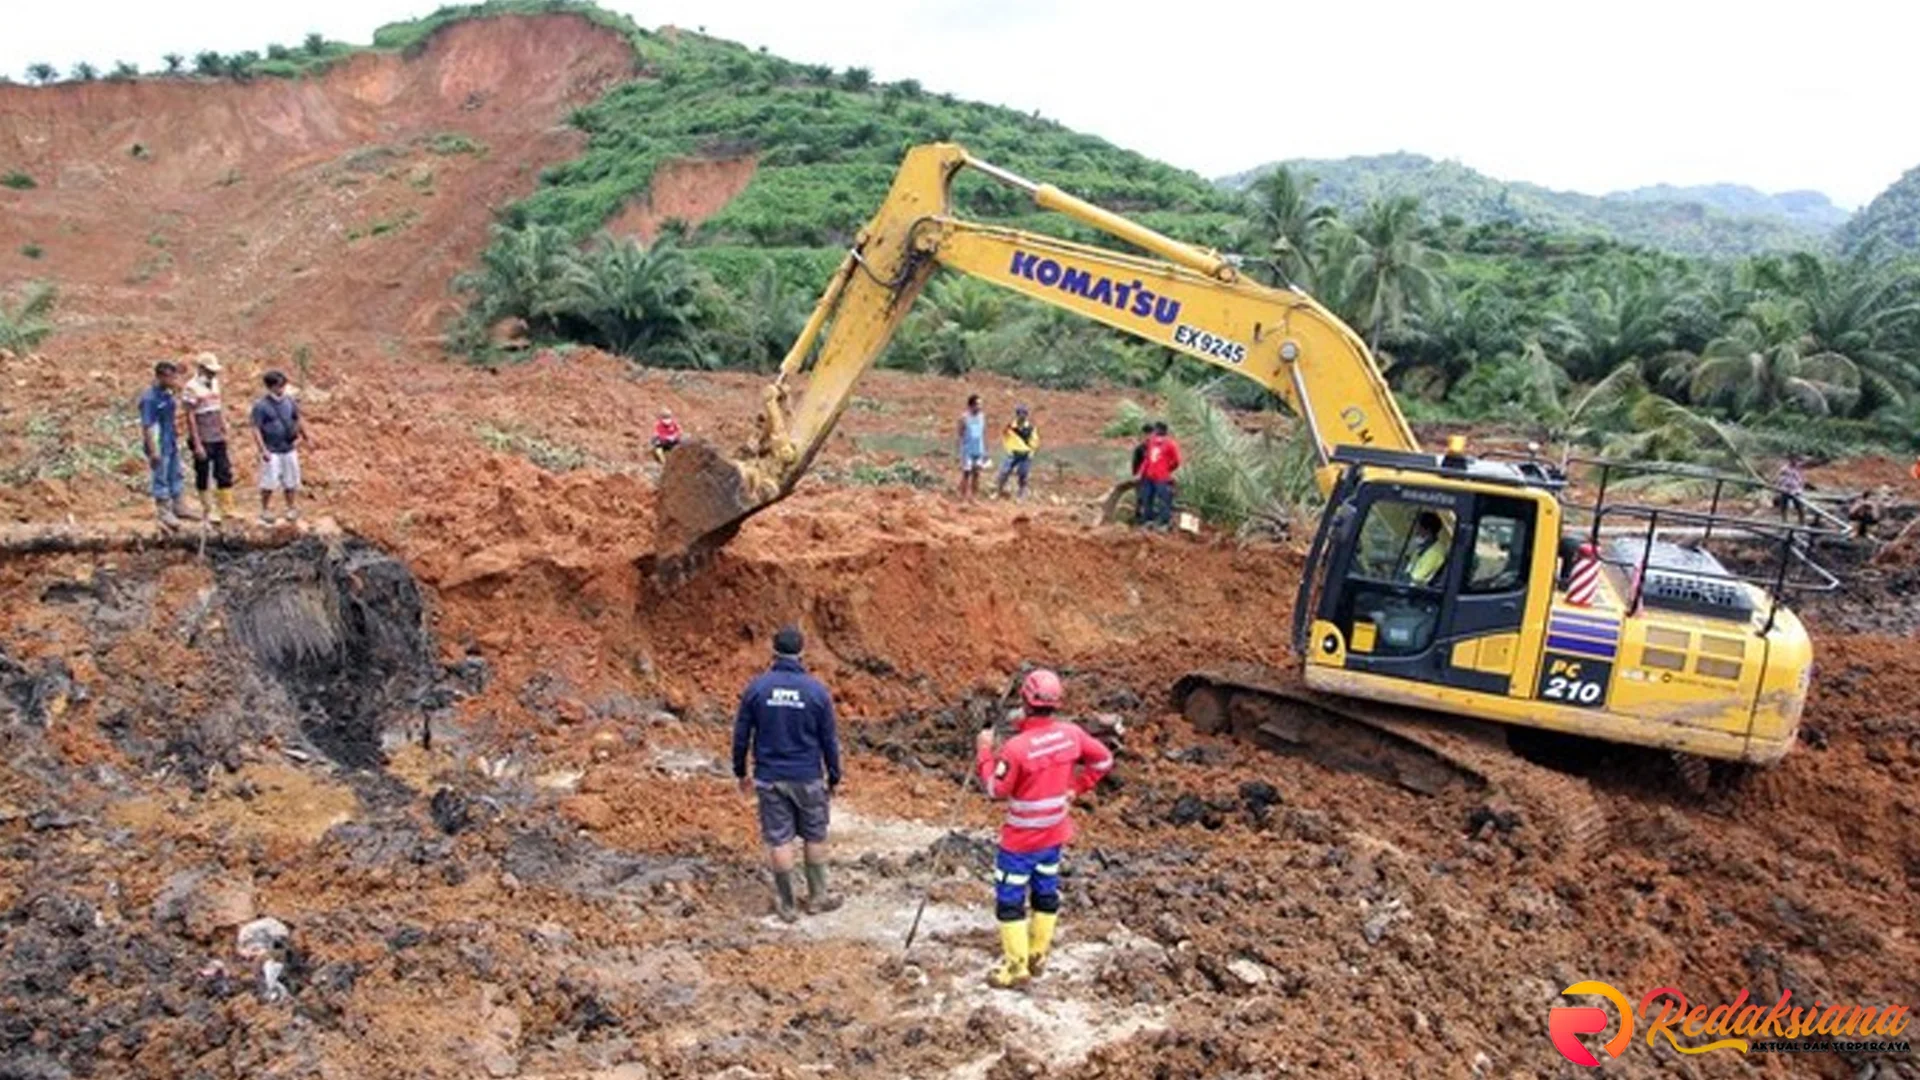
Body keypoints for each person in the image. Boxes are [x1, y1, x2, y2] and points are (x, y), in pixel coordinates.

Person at [975, 668, 1114, 990]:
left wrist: (984, 751)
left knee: (1010, 900)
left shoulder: (1016, 749)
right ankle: (1038, 955)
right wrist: (1077, 788)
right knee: (1045, 891)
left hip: (1020, 841)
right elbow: (1103, 760)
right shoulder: (1071, 734)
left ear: (1025, 699)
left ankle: (1015, 968)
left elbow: (995, 790)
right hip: (1053, 835)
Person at [733, 625, 843, 923]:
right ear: (802, 652)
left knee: (780, 839)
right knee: (814, 835)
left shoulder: (758, 688)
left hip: (770, 777)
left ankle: (787, 904)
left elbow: (741, 734)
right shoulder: (816, 691)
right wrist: (834, 776)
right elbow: (829, 740)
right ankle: (818, 898)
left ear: (773, 651)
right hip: (808, 775)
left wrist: (740, 771)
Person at [249, 369, 311, 526]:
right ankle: (265, 509)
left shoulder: (289, 401)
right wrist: (263, 449)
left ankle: (290, 508)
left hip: (288, 448)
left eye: (283, 386)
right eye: (278, 386)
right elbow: (256, 428)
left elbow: (297, 419)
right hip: (271, 449)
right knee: (269, 481)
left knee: (291, 480)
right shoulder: (261, 406)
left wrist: (306, 437)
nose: (281, 389)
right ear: (270, 387)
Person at [137, 361, 195, 529]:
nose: (175, 380)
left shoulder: (166, 393)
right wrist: (154, 451)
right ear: (161, 377)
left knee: (175, 473)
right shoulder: (150, 399)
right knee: (160, 476)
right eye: (171, 377)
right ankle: (164, 511)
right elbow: (148, 426)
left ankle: (179, 505)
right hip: (158, 443)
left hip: (170, 440)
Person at [180, 352, 235, 525]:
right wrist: (197, 443)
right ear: (201, 369)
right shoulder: (191, 387)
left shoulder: (215, 384)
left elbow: (218, 407)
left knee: (223, 471)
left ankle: (226, 509)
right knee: (203, 473)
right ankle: (208, 509)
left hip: (217, 435)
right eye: (210, 371)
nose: (213, 374)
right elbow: (190, 416)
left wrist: (223, 426)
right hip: (203, 436)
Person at [1136, 422, 1182, 529]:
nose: (1155, 434)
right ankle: (1148, 520)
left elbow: (1176, 461)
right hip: (1149, 476)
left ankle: (1164, 523)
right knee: (1147, 498)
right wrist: (1141, 473)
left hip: (1162, 477)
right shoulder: (1151, 443)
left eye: (1156, 431)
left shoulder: (1170, 444)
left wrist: (1167, 469)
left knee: (1164, 500)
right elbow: (1147, 459)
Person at [995, 405, 1039, 500]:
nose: (1022, 416)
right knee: (1004, 472)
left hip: (1025, 454)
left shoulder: (1030, 428)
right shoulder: (1010, 426)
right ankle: (999, 491)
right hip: (1013, 453)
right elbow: (1005, 438)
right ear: (1017, 414)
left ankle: (1021, 494)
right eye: (1020, 413)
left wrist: (1031, 452)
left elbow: (1034, 441)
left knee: (1022, 474)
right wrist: (1008, 449)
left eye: (1024, 414)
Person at [1401, 511, 1450, 586]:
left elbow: (1417, 577)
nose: (1416, 531)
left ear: (1427, 530)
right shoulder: (1423, 546)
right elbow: (1410, 564)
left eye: (1418, 528)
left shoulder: (1436, 552)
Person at [957, 394, 989, 499]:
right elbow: (960, 434)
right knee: (966, 473)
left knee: (977, 473)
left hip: (979, 449)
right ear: (971, 405)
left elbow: (983, 434)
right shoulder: (964, 418)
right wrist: (961, 451)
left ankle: (974, 496)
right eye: (978, 404)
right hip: (967, 450)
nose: (980, 407)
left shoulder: (982, 417)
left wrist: (985, 451)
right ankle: (963, 496)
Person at [1129, 423, 1154, 525]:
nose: (1148, 437)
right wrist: (1136, 476)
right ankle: (1138, 520)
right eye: (1146, 434)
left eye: (1150, 434)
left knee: (1151, 499)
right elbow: (1135, 464)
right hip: (1142, 478)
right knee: (1140, 498)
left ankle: (1148, 520)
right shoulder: (1140, 449)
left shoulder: (1155, 448)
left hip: (1153, 477)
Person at [1774, 456, 1807, 525]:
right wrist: (1779, 487)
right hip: (1785, 489)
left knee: (1800, 507)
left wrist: (1800, 487)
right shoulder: (1784, 468)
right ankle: (1784, 522)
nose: (1794, 461)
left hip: (1796, 490)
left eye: (1795, 459)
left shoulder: (1799, 469)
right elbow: (1780, 478)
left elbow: (1802, 479)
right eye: (1792, 459)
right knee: (1783, 506)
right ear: (1790, 460)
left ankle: (1802, 523)